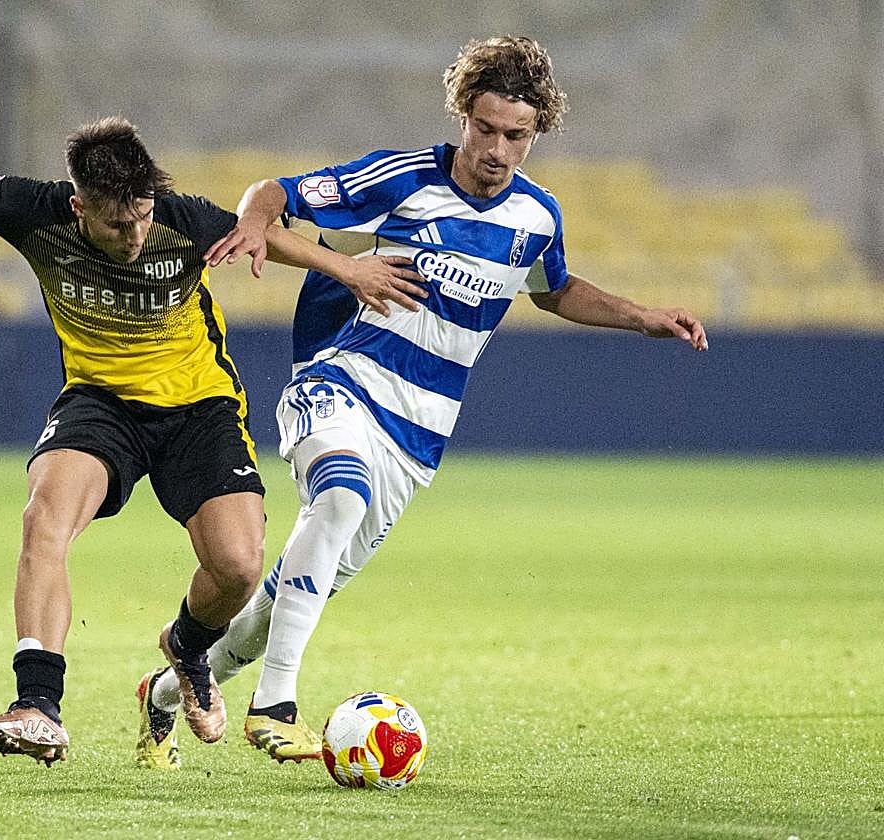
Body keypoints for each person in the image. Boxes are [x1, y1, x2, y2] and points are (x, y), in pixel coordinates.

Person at [0, 92, 424, 767]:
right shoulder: (33, 211)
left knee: (239, 567)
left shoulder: (183, 220)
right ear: (80, 207)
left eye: (140, 218)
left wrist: (347, 267)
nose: (134, 236)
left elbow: (267, 236)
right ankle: (37, 705)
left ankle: (187, 648)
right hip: (99, 403)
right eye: (115, 224)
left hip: (199, 407)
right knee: (44, 515)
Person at [136, 35, 708, 767]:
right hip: (337, 381)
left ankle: (162, 691)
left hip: (418, 436)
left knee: (276, 609)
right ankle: (275, 704)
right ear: (462, 115)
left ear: (536, 134)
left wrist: (645, 316)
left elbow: (555, 288)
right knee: (339, 496)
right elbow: (276, 193)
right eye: (485, 128)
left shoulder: (537, 218)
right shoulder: (403, 178)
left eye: (516, 136)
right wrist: (263, 228)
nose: (497, 149)